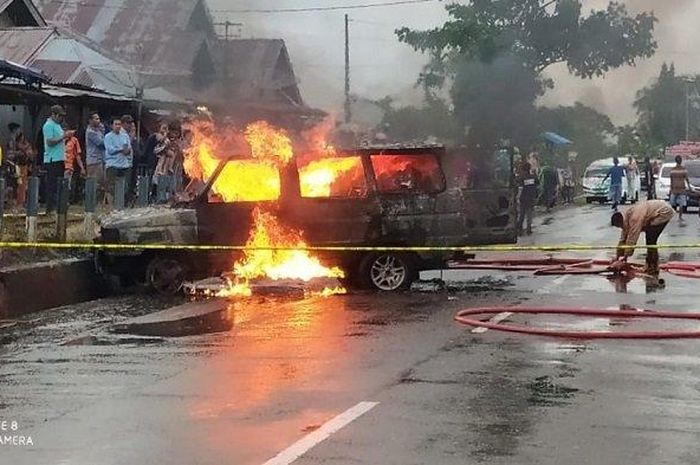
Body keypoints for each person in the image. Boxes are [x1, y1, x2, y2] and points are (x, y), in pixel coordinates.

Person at [611, 200, 675, 274]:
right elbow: (623, 238)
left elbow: (633, 238)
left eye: (619, 226)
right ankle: (651, 265)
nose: (620, 228)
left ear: (620, 221)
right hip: (655, 212)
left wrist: (625, 257)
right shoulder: (627, 218)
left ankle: (652, 266)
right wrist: (617, 256)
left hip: (663, 212)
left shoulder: (634, 218)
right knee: (650, 239)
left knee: (651, 239)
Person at [42, 105, 75, 213]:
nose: (61, 118)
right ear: (54, 114)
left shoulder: (57, 126)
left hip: (60, 158)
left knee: (59, 184)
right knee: (52, 185)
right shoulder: (48, 125)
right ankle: (50, 208)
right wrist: (64, 136)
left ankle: (58, 206)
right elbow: (50, 142)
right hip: (52, 159)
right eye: (60, 116)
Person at [104, 118, 133, 206]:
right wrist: (121, 149)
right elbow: (110, 150)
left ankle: (121, 205)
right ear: (112, 126)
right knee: (111, 187)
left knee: (125, 186)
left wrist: (126, 151)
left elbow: (128, 148)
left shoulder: (125, 136)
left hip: (124, 165)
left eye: (119, 124)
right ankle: (111, 206)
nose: (118, 126)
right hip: (112, 164)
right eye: (116, 124)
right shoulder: (108, 136)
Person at [85, 112, 106, 204]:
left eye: (99, 119)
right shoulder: (90, 132)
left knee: (101, 183)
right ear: (90, 120)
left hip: (101, 159)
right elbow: (101, 143)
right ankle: (91, 203)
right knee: (94, 183)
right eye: (96, 119)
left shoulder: (98, 130)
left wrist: (102, 130)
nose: (99, 121)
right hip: (93, 160)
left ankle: (97, 203)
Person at [517, 162, 538, 236]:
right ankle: (529, 229)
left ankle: (519, 230)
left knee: (521, 214)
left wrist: (518, 198)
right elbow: (536, 187)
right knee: (529, 215)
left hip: (523, 198)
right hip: (531, 198)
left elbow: (520, 189)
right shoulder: (533, 177)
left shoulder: (521, 178)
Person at [669, 155, 691, 221]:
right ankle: (679, 217)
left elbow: (671, 180)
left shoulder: (672, 170)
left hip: (675, 189)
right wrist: (689, 187)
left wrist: (671, 188)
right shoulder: (684, 170)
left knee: (672, 203)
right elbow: (687, 179)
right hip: (681, 189)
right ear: (681, 161)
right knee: (681, 204)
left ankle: (673, 216)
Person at [64, 125, 85, 192]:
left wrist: (82, 168)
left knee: (67, 185)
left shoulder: (74, 140)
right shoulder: (59, 139)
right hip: (58, 164)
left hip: (68, 166)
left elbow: (77, 155)